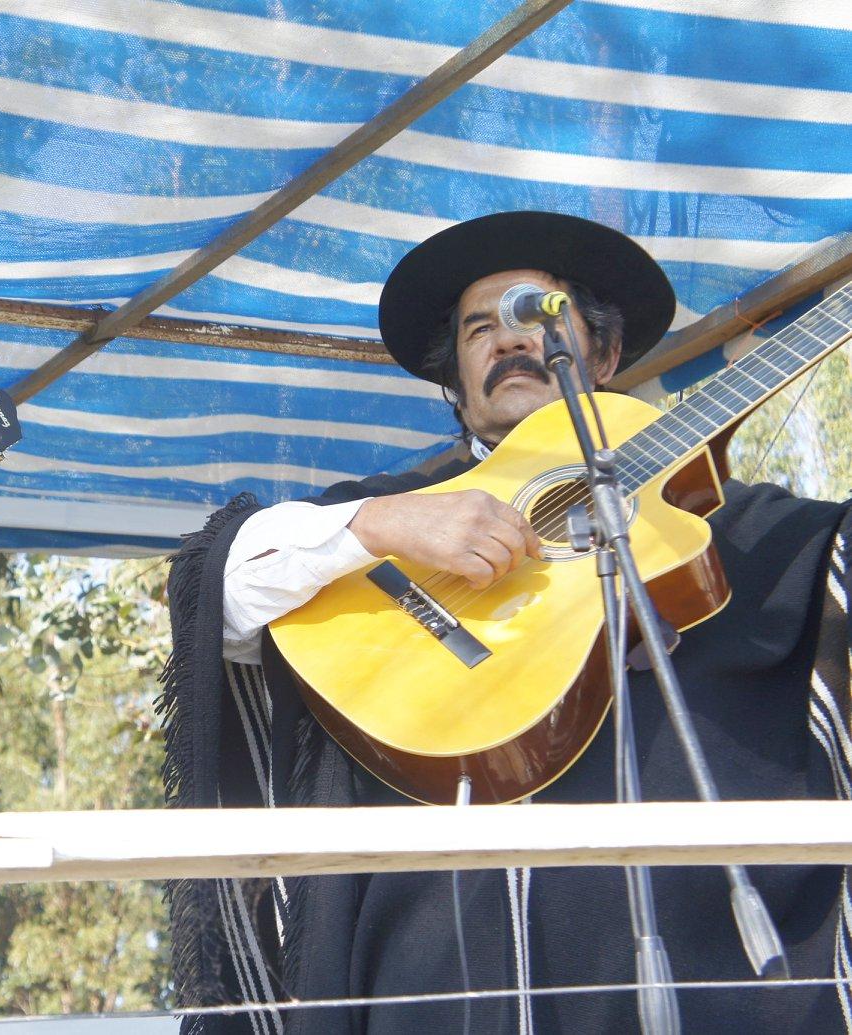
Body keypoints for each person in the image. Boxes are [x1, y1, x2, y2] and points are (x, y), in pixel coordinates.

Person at [162, 211, 852, 1033]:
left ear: (600, 352)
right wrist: (375, 527)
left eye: (537, 312)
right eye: (478, 327)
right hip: (431, 982)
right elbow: (219, 596)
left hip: (702, 983)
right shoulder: (382, 517)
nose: (508, 338)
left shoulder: (732, 531)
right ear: (455, 376)